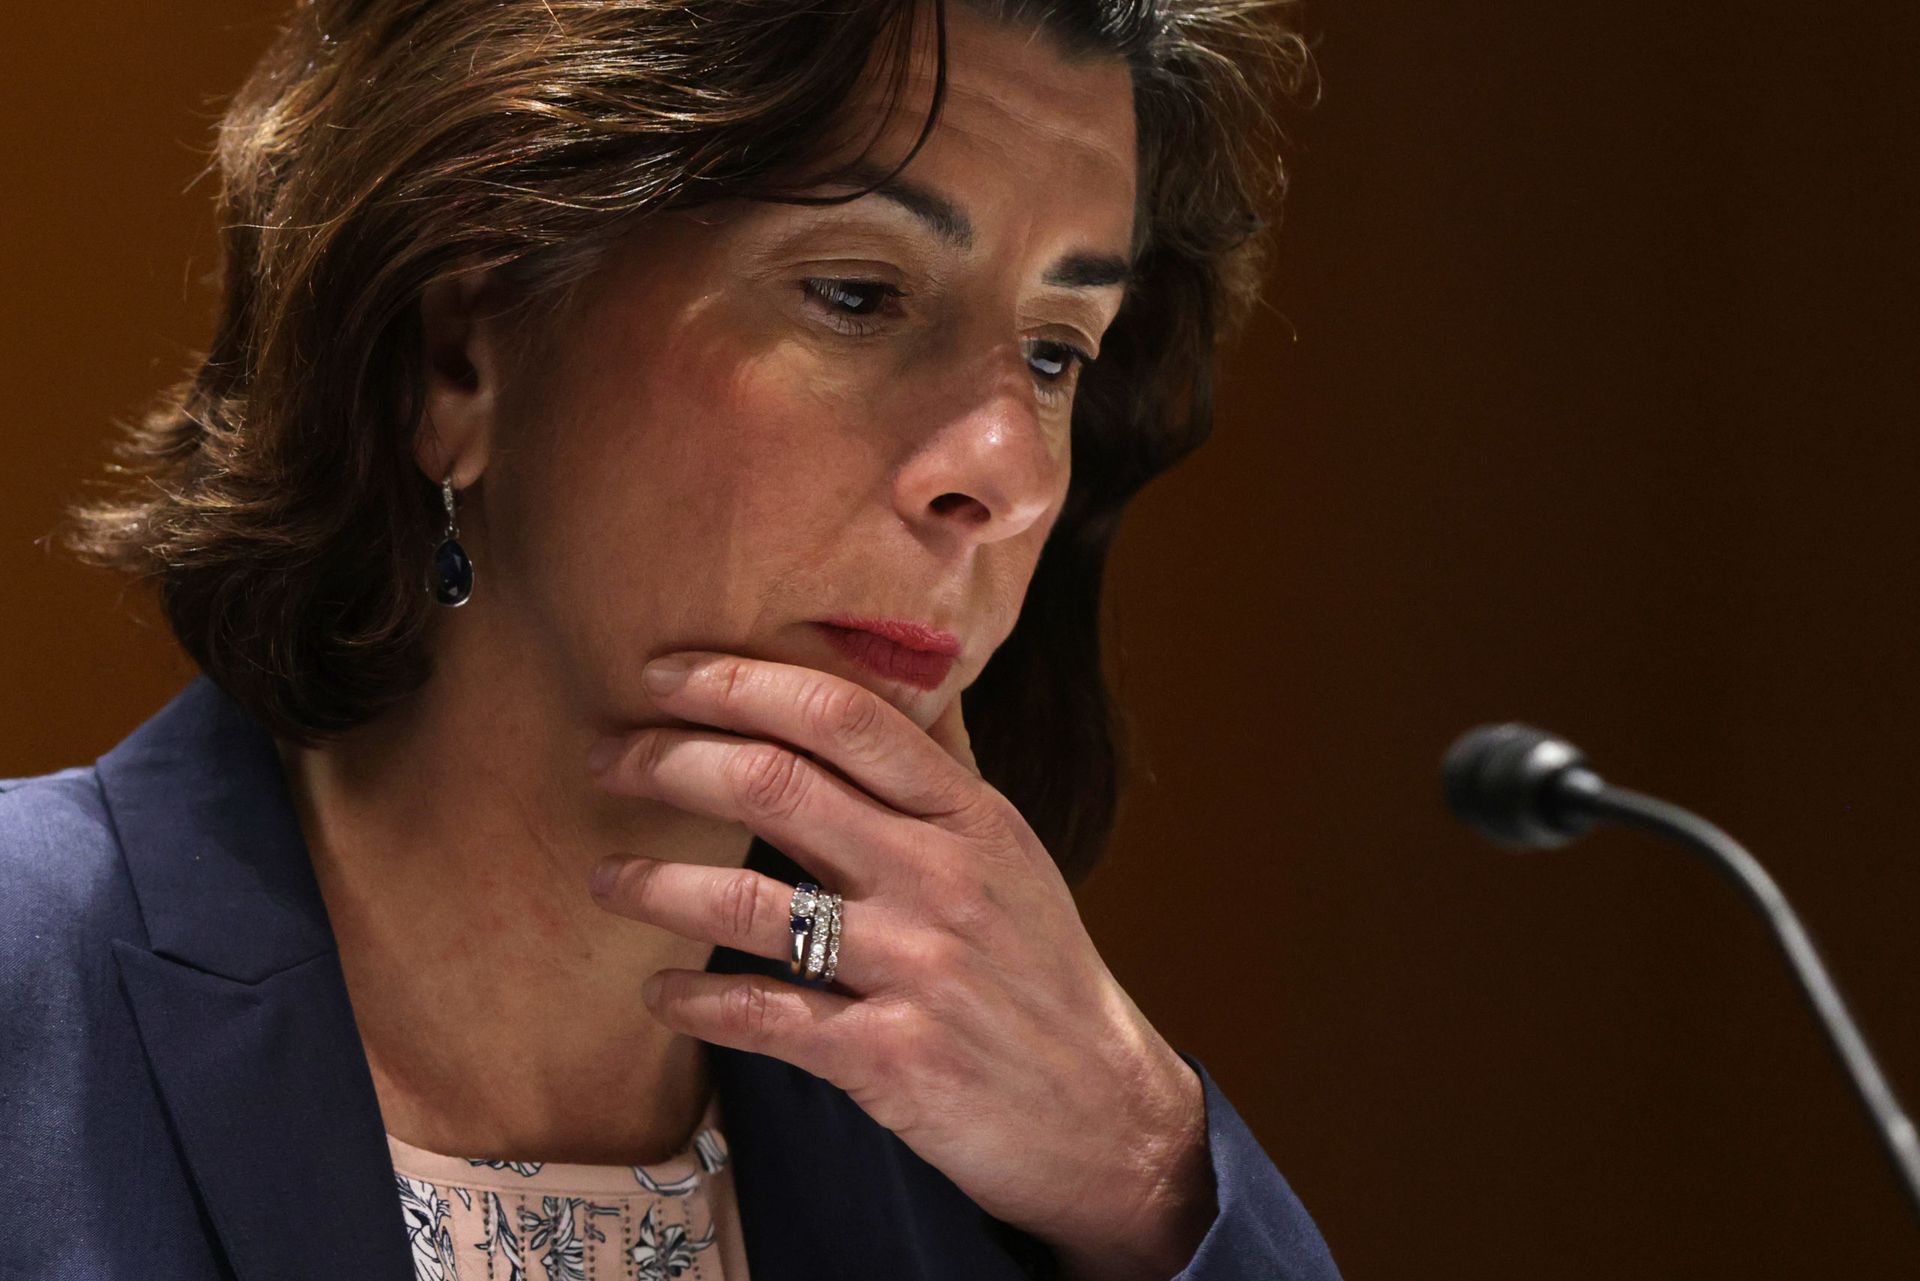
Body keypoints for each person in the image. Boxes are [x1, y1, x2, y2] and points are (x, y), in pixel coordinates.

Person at [0, 0, 1341, 1277]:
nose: (1008, 470)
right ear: (458, 352)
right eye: (858, 293)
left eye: (1056, 353)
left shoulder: (1027, 1163)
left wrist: (1142, 1158)